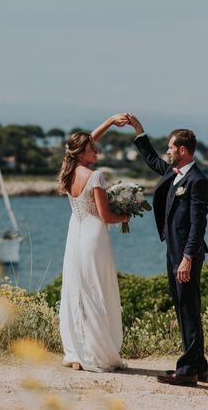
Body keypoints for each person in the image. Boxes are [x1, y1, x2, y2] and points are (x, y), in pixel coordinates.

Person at [127, 113, 208, 387]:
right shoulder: (174, 173)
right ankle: (198, 365)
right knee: (185, 306)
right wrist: (139, 132)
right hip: (173, 251)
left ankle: (187, 371)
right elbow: (152, 159)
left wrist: (187, 258)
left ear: (183, 150)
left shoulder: (197, 181)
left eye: (171, 148)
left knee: (187, 307)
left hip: (186, 253)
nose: (168, 152)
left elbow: (199, 225)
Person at [57, 115, 130, 372]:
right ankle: (96, 354)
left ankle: (76, 353)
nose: (97, 150)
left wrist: (110, 122)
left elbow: (86, 141)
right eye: (92, 148)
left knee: (76, 290)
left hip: (74, 234)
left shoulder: (69, 172)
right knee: (97, 289)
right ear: (82, 152)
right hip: (93, 236)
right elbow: (106, 217)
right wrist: (125, 215)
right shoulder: (95, 176)